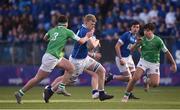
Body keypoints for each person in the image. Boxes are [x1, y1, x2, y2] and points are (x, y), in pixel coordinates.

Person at [14, 15, 94, 104]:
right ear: (66, 23)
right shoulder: (68, 31)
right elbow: (82, 41)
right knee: (37, 79)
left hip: (54, 56)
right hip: (51, 58)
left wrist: (53, 39)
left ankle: (61, 87)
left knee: (71, 68)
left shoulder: (52, 30)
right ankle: (20, 93)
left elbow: (45, 38)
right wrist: (87, 36)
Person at [43, 14, 113, 103]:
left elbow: (86, 48)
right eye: (92, 24)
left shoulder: (86, 29)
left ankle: (101, 94)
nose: (93, 26)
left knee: (101, 70)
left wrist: (93, 52)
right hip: (77, 61)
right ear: (86, 22)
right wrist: (97, 41)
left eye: (94, 24)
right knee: (68, 80)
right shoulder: (85, 31)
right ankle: (50, 91)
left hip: (84, 58)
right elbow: (91, 46)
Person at [122, 23, 177, 102]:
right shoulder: (142, 39)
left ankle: (146, 80)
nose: (146, 32)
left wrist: (173, 63)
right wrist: (137, 43)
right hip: (143, 61)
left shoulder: (158, 40)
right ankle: (126, 95)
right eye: (145, 31)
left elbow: (167, 52)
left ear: (152, 31)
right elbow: (131, 50)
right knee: (135, 78)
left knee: (155, 84)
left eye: (148, 31)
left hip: (154, 63)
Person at [105, 21, 140, 99]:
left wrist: (137, 44)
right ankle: (112, 77)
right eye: (134, 26)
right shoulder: (126, 35)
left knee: (134, 77)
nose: (135, 28)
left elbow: (131, 49)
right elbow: (117, 46)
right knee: (128, 78)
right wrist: (120, 58)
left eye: (137, 27)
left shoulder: (135, 37)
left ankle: (129, 93)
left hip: (129, 57)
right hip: (121, 58)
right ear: (131, 27)